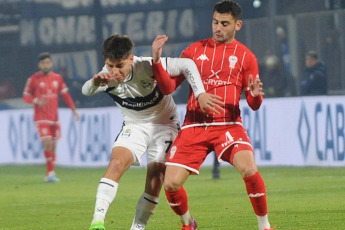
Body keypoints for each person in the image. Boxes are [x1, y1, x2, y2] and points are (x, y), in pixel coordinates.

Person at [151, 1, 275, 229]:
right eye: (215, 22)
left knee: (249, 168)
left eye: (224, 24)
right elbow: (169, 87)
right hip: (193, 126)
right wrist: (158, 61)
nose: (218, 28)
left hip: (228, 125)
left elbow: (254, 104)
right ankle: (188, 223)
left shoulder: (246, 57)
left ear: (237, 25)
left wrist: (256, 96)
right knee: (170, 184)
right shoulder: (193, 51)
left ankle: (264, 225)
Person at [82, 34, 222, 230]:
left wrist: (200, 93)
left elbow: (188, 64)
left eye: (120, 66)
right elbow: (86, 90)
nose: (114, 72)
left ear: (131, 58)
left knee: (155, 177)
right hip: (134, 126)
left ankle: (137, 228)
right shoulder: (105, 76)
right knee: (116, 163)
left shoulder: (147, 66)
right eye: (110, 65)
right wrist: (95, 83)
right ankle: (97, 222)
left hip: (165, 125)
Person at [22, 52, 79, 183]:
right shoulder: (33, 79)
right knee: (47, 142)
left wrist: (73, 109)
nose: (45, 65)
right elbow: (25, 97)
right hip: (41, 117)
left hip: (54, 117)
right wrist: (36, 100)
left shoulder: (57, 78)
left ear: (51, 64)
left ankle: (50, 173)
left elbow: (65, 95)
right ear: (39, 65)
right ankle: (50, 173)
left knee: (53, 145)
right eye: (43, 63)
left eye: (48, 62)